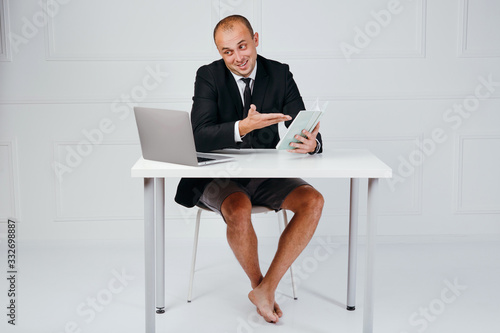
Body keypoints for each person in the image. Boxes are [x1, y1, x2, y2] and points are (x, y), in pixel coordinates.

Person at [175, 15, 324, 323]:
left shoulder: (279, 73)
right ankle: (260, 286)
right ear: (219, 53)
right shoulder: (208, 76)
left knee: (313, 201)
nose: (237, 57)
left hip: (264, 172)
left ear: (256, 39)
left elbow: (303, 122)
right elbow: (198, 134)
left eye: (242, 46)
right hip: (217, 174)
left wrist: (313, 143)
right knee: (238, 207)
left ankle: (267, 287)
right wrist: (241, 127)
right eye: (227, 52)